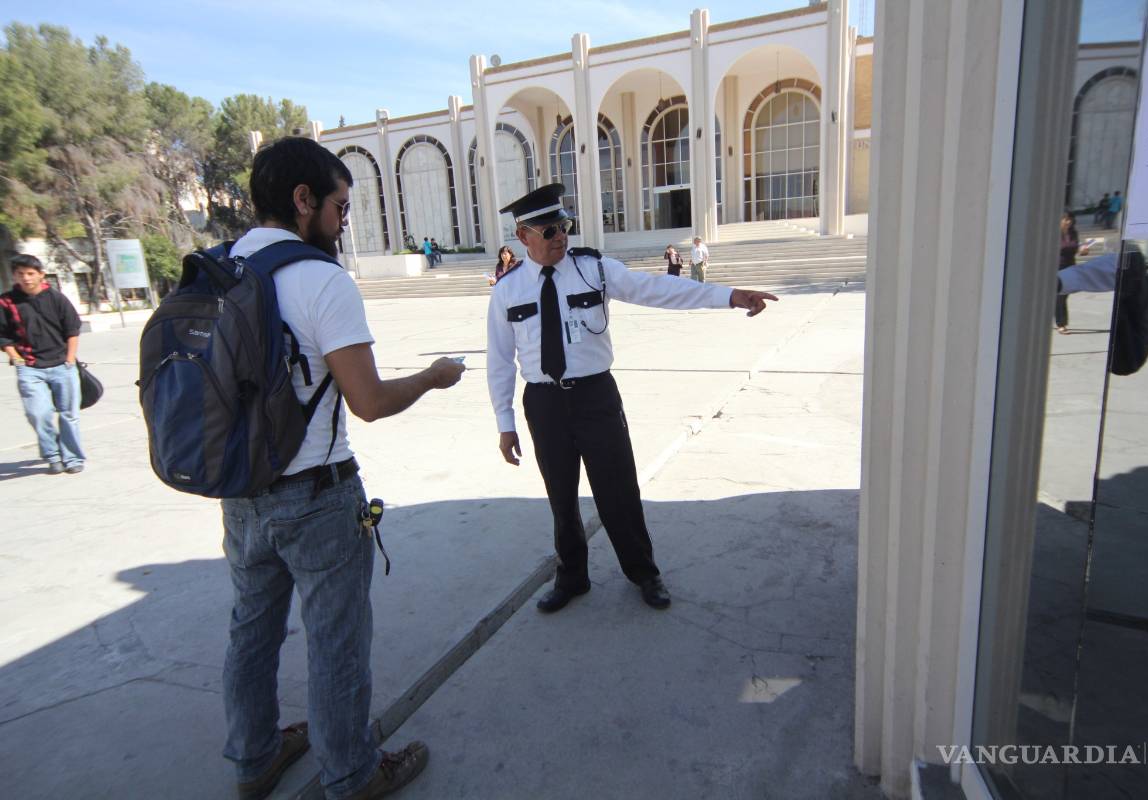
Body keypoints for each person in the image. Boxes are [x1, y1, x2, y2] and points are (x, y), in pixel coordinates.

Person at [218, 137, 465, 800]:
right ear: (303, 201)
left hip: (240, 494)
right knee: (337, 644)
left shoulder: (217, 268)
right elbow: (370, 402)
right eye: (340, 205)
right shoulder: (321, 280)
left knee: (252, 631)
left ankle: (253, 759)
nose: (344, 219)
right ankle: (352, 773)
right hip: (317, 497)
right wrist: (434, 377)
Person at [486, 184, 778, 613]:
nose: (561, 237)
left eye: (564, 226)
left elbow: (659, 291)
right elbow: (498, 360)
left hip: (595, 396)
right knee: (561, 496)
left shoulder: (595, 268)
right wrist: (505, 422)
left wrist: (728, 296)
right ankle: (572, 578)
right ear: (523, 236)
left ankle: (644, 572)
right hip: (544, 404)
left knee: (618, 490)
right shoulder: (507, 290)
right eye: (549, 231)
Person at [0, 254, 85, 475]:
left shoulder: (56, 298)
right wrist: (16, 358)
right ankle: (53, 455)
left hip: (62, 365)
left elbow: (72, 330)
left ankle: (72, 457)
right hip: (30, 367)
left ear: (41, 274)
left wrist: (69, 359)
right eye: (20, 274)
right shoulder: (6, 302)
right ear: (15, 276)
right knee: (38, 414)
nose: (26, 278)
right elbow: (3, 336)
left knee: (69, 414)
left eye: (30, 273)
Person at [1055, 211, 1079, 333]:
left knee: (1062, 296)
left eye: (1070, 219)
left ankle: (1059, 320)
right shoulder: (1053, 233)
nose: (1068, 222)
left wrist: (1083, 250)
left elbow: (1075, 248)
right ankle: (1061, 324)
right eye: (1066, 219)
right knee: (1060, 296)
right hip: (1056, 268)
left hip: (1070, 267)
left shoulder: (1073, 232)